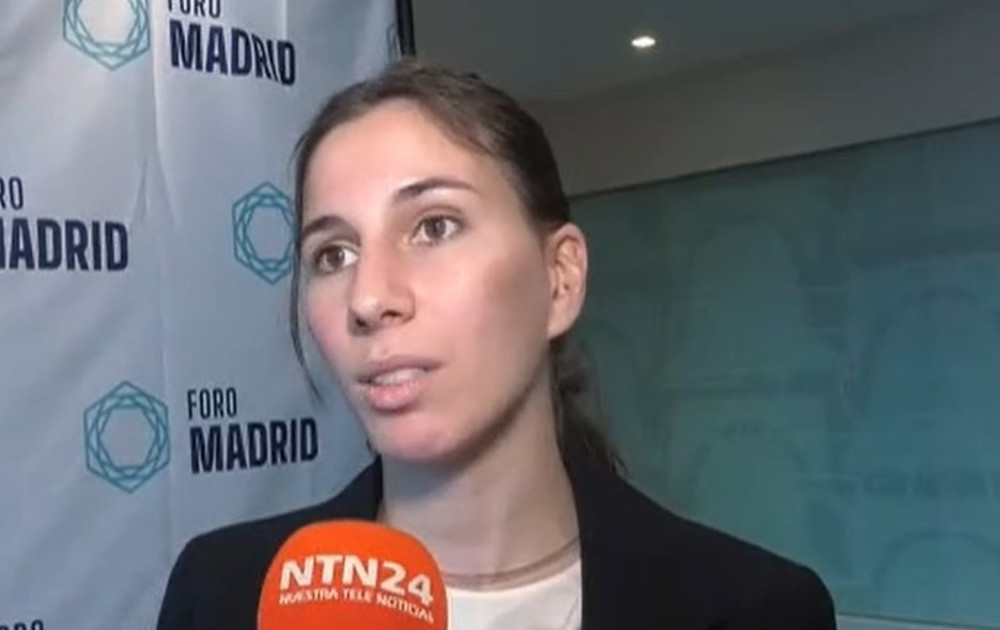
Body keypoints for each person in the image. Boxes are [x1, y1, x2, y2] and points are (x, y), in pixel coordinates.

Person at [156, 58, 837, 630]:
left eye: (434, 226)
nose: (368, 298)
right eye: (333, 255)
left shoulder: (757, 610)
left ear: (560, 278)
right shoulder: (222, 595)